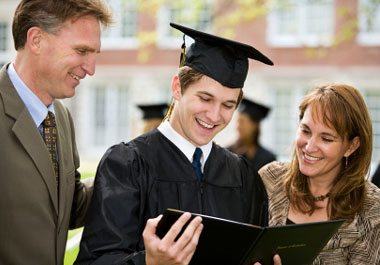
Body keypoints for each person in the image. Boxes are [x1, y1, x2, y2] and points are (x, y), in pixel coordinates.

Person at [74, 23, 280, 265]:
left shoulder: (243, 176)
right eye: (205, 98)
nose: (214, 116)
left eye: (227, 105)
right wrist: (149, 262)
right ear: (177, 88)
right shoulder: (127, 164)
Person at [0, 1, 112, 265]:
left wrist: (133, 169)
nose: (91, 68)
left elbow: (69, 207)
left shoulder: (60, 118)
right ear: (36, 40)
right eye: (82, 50)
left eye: (94, 53)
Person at [259, 83, 380, 264]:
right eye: (305, 131)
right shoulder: (270, 179)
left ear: (351, 146)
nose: (309, 147)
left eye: (326, 138)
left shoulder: (371, 209)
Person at [228, 98, 276, 172]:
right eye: (238, 122)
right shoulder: (228, 153)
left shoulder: (268, 158)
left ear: (255, 125)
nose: (238, 127)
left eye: (242, 122)